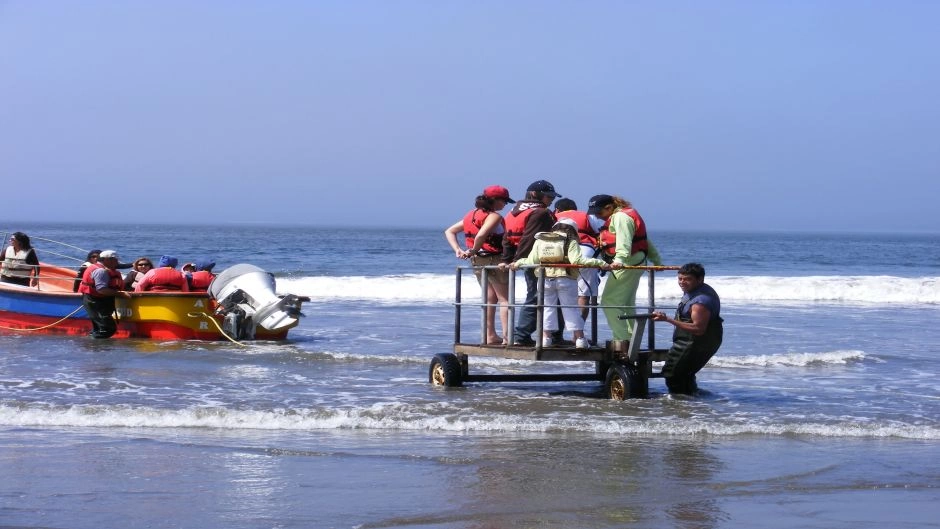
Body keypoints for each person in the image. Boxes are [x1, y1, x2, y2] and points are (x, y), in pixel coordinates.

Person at [507, 218, 609, 348]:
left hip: (545, 280)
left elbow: (531, 260)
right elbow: (577, 260)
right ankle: (580, 340)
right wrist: (601, 263)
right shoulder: (570, 241)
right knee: (571, 309)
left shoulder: (541, 241)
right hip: (565, 279)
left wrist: (517, 263)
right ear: (573, 230)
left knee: (547, 309)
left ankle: (546, 339)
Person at [587, 194, 663, 342]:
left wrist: (619, 260)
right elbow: (645, 241)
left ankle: (621, 339)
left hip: (627, 263)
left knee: (609, 302)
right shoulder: (626, 215)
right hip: (636, 262)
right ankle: (632, 339)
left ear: (609, 207)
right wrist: (657, 260)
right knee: (626, 303)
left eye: (599, 212)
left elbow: (624, 243)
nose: (598, 216)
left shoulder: (621, 218)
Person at [444, 185, 515, 344]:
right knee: (505, 299)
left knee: (489, 298)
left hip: (477, 262)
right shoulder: (494, 216)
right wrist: (473, 250)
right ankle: (507, 337)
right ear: (495, 200)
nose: (505, 205)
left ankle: (490, 335)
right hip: (494, 259)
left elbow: (449, 231)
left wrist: (459, 250)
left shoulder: (471, 215)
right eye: (504, 201)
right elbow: (482, 235)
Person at [651, 263, 723, 395]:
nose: (682, 282)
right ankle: (692, 403)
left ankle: (682, 405)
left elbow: (698, 328)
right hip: (693, 340)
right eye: (680, 279)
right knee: (685, 374)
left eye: (687, 279)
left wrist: (667, 319)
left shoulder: (700, 302)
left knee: (672, 374)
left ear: (700, 279)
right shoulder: (694, 290)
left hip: (696, 342)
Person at [503, 180, 560, 346]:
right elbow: (529, 238)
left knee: (537, 295)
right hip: (534, 262)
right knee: (537, 296)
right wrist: (517, 261)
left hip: (524, 260)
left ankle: (530, 334)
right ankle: (521, 335)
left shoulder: (513, 212)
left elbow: (506, 238)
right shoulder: (540, 213)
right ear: (535, 194)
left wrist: (507, 259)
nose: (551, 200)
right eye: (549, 196)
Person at [554, 198, 606, 325]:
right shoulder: (587, 216)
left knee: (556, 295)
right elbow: (601, 236)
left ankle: (551, 335)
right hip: (584, 252)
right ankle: (578, 335)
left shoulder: (553, 217)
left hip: (558, 253)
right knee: (583, 295)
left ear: (557, 210)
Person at [78, 249, 130, 339]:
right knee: (108, 328)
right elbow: (102, 290)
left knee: (99, 327)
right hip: (95, 301)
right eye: (115, 259)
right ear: (107, 260)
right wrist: (121, 294)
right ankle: (97, 346)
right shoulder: (100, 271)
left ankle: (94, 348)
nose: (117, 262)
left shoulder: (98, 267)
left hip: (98, 300)